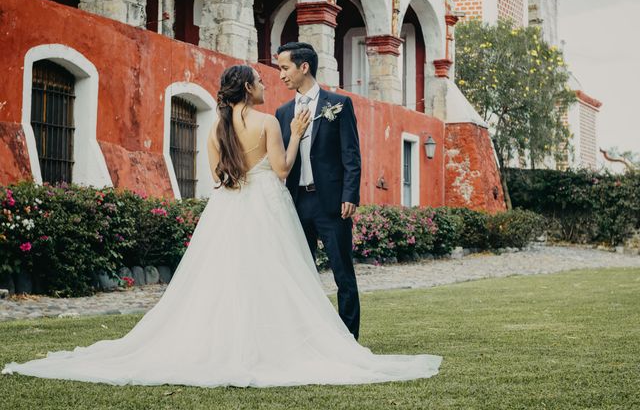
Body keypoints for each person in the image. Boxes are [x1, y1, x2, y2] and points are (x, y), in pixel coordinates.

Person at [2, 65, 441, 387]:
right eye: (261, 81)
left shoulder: (215, 129)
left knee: (225, 279)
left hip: (229, 209)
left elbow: (219, 178)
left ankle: (225, 342)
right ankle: (277, 343)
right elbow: (284, 169)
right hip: (267, 206)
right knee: (279, 277)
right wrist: (297, 131)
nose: (268, 84)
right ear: (248, 88)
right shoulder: (270, 121)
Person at [275, 42, 361, 339]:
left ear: (304, 67)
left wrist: (350, 195)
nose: (281, 76)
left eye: (284, 68)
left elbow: (351, 154)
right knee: (301, 275)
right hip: (298, 204)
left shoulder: (338, 104)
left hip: (332, 204)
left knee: (343, 274)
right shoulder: (282, 112)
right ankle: (308, 339)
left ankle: (349, 339)